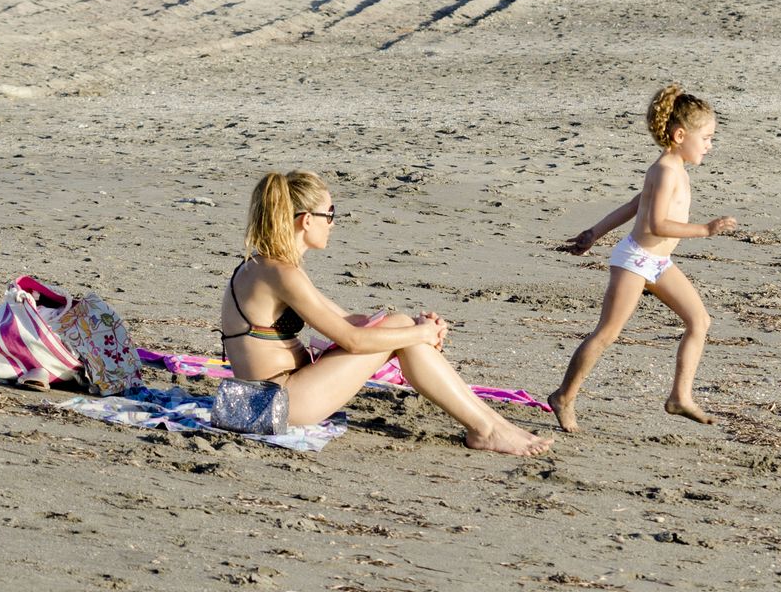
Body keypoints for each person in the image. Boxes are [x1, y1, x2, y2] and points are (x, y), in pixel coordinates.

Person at [221, 170, 552, 455]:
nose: (333, 223)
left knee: (398, 326)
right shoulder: (280, 273)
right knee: (400, 329)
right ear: (307, 220)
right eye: (330, 213)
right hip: (279, 403)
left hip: (275, 397)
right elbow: (352, 339)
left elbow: (348, 320)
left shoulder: (272, 266)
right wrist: (420, 334)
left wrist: (417, 328)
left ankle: (491, 424)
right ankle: (487, 429)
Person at [549, 85, 738, 433]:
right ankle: (563, 395)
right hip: (636, 259)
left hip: (657, 263)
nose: (710, 145)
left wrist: (596, 231)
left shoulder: (672, 168)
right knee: (606, 333)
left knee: (699, 322)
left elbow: (637, 204)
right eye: (707, 137)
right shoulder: (666, 170)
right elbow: (655, 223)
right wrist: (705, 230)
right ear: (680, 135)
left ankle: (680, 397)